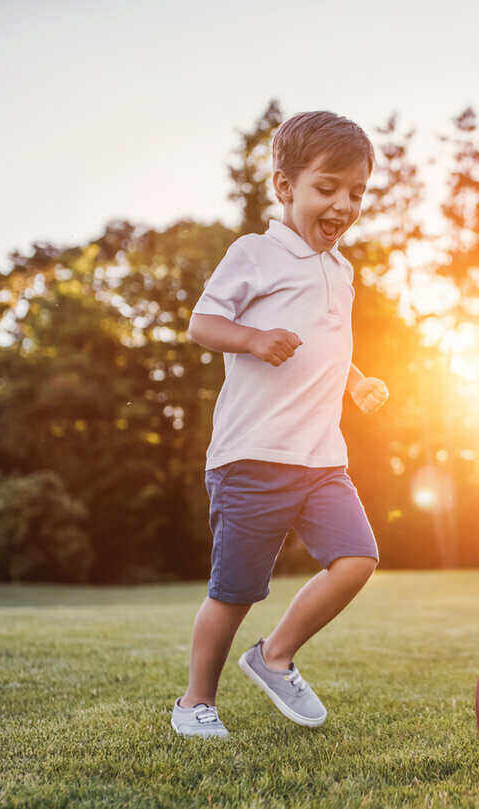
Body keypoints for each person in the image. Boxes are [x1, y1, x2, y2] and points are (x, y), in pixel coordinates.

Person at [170, 111, 389, 738]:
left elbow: (329, 345)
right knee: (235, 591)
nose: (344, 205)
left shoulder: (341, 270)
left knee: (357, 558)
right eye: (328, 188)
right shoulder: (256, 253)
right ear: (285, 187)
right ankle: (194, 704)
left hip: (321, 456)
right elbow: (202, 324)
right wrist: (253, 336)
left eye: (357, 192)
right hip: (253, 454)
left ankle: (274, 656)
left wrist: (359, 382)